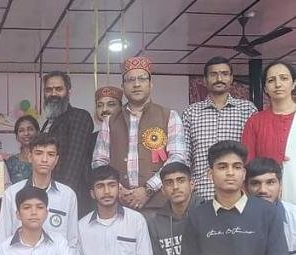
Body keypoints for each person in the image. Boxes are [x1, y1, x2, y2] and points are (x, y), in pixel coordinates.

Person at [93, 57, 188, 211]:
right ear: (123, 86)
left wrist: (148, 189)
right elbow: (99, 161)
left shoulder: (169, 116)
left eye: (142, 79)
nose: (136, 84)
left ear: (151, 84)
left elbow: (178, 158)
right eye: (130, 80)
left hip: (160, 206)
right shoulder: (110, 121)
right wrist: (117, 188)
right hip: (119, 205)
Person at [182, 57, 257, 201]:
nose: (219, 78)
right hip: (202, 192)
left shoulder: (247, 109)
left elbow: (252, 154)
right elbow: (186, 156)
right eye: (213, 74)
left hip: (238, 192)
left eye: (224, 73)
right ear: (205, 80)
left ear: (231, 78)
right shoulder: (191, 112)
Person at [0, 134, 78, 255]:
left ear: (56, 160)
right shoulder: (12, 193)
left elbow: (72, 241)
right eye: (39, 153)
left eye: (50, 154)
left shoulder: (68, 195)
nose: (44, 159)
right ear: (30, 157)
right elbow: (2, 238)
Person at [242, 61, 296, 204]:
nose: (278, 84)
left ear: (294, 83)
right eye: (271, 80)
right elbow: (248, 164)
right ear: (265, 88)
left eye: (284, 78)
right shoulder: (255, 122)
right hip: (266, 200)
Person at [38, 71, 95, 208]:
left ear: (68, 92)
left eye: (59, 89)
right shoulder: (48, 123)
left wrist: (61, 197)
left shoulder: (79, 116)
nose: (53, 94)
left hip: (69, 197)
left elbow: (75, 160)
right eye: (48, 90)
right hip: (47, 195)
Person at [87, 86, 124, 216]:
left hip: (130, 198)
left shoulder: (128, 135)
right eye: (100, 106)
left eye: (111, 104)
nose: (105, 110)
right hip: (100, 204)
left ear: (121, 108)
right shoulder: (90, 139)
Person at [5, 115, 39, 184]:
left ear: (38, 132)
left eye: (30, 129)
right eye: (21, 130)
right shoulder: (10, 163)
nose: (26, 133)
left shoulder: (45, 160)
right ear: (17, 136)